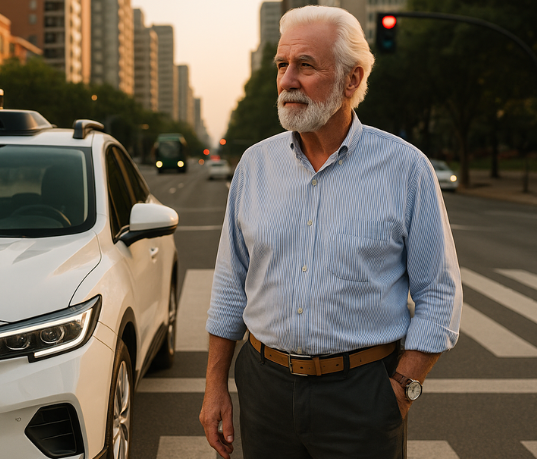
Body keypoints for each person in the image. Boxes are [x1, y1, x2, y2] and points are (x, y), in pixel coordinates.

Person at [199, 5, 462, 459]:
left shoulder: (406, 170)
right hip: (265, 389)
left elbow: (439, 293)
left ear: (352, 80)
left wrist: (401, 388)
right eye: (282, 65)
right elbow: (229, 285)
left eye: (305, 66)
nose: (287, 80)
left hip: (362, 394)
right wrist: (214, 387)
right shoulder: (255, 166)